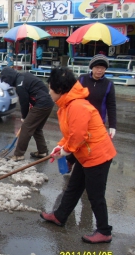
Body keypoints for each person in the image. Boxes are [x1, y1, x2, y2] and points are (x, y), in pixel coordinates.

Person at [40, 67, 116, 244]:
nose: (49, 93)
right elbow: (71, 134)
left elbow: (78, 137)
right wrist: (59, 147)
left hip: (98, 155)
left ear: (60, 90)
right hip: (86, 154)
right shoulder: (66, 105)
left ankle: (104, 231)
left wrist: (65, 151)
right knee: (74, 187)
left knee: (95, 195)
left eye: (50, 89)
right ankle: (59, 216)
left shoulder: (77, 106)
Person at [66, 54, 117, 172]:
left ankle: (84, 166)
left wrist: (113, 125)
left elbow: (111, 105)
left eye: (103, 68)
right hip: (80, 118)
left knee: (91, 146)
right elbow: (72, 96)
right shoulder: (82, 79)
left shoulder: (108, 84)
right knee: (78, 141)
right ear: (92, 67)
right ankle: (71, 160)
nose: (100, 70)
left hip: (97, 122)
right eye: (97, 67)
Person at [0, 66, 54, 161]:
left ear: (9, 77)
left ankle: (18, 154)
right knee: (36, 128)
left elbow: (24, 102)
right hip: (48, 103)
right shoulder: (25, 76)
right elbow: (39, 89)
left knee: (26, 128)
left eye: (6, 81)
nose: (8, 84)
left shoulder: (20, 84)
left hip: (41, 104)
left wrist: (24, 117)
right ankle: (42, 151)